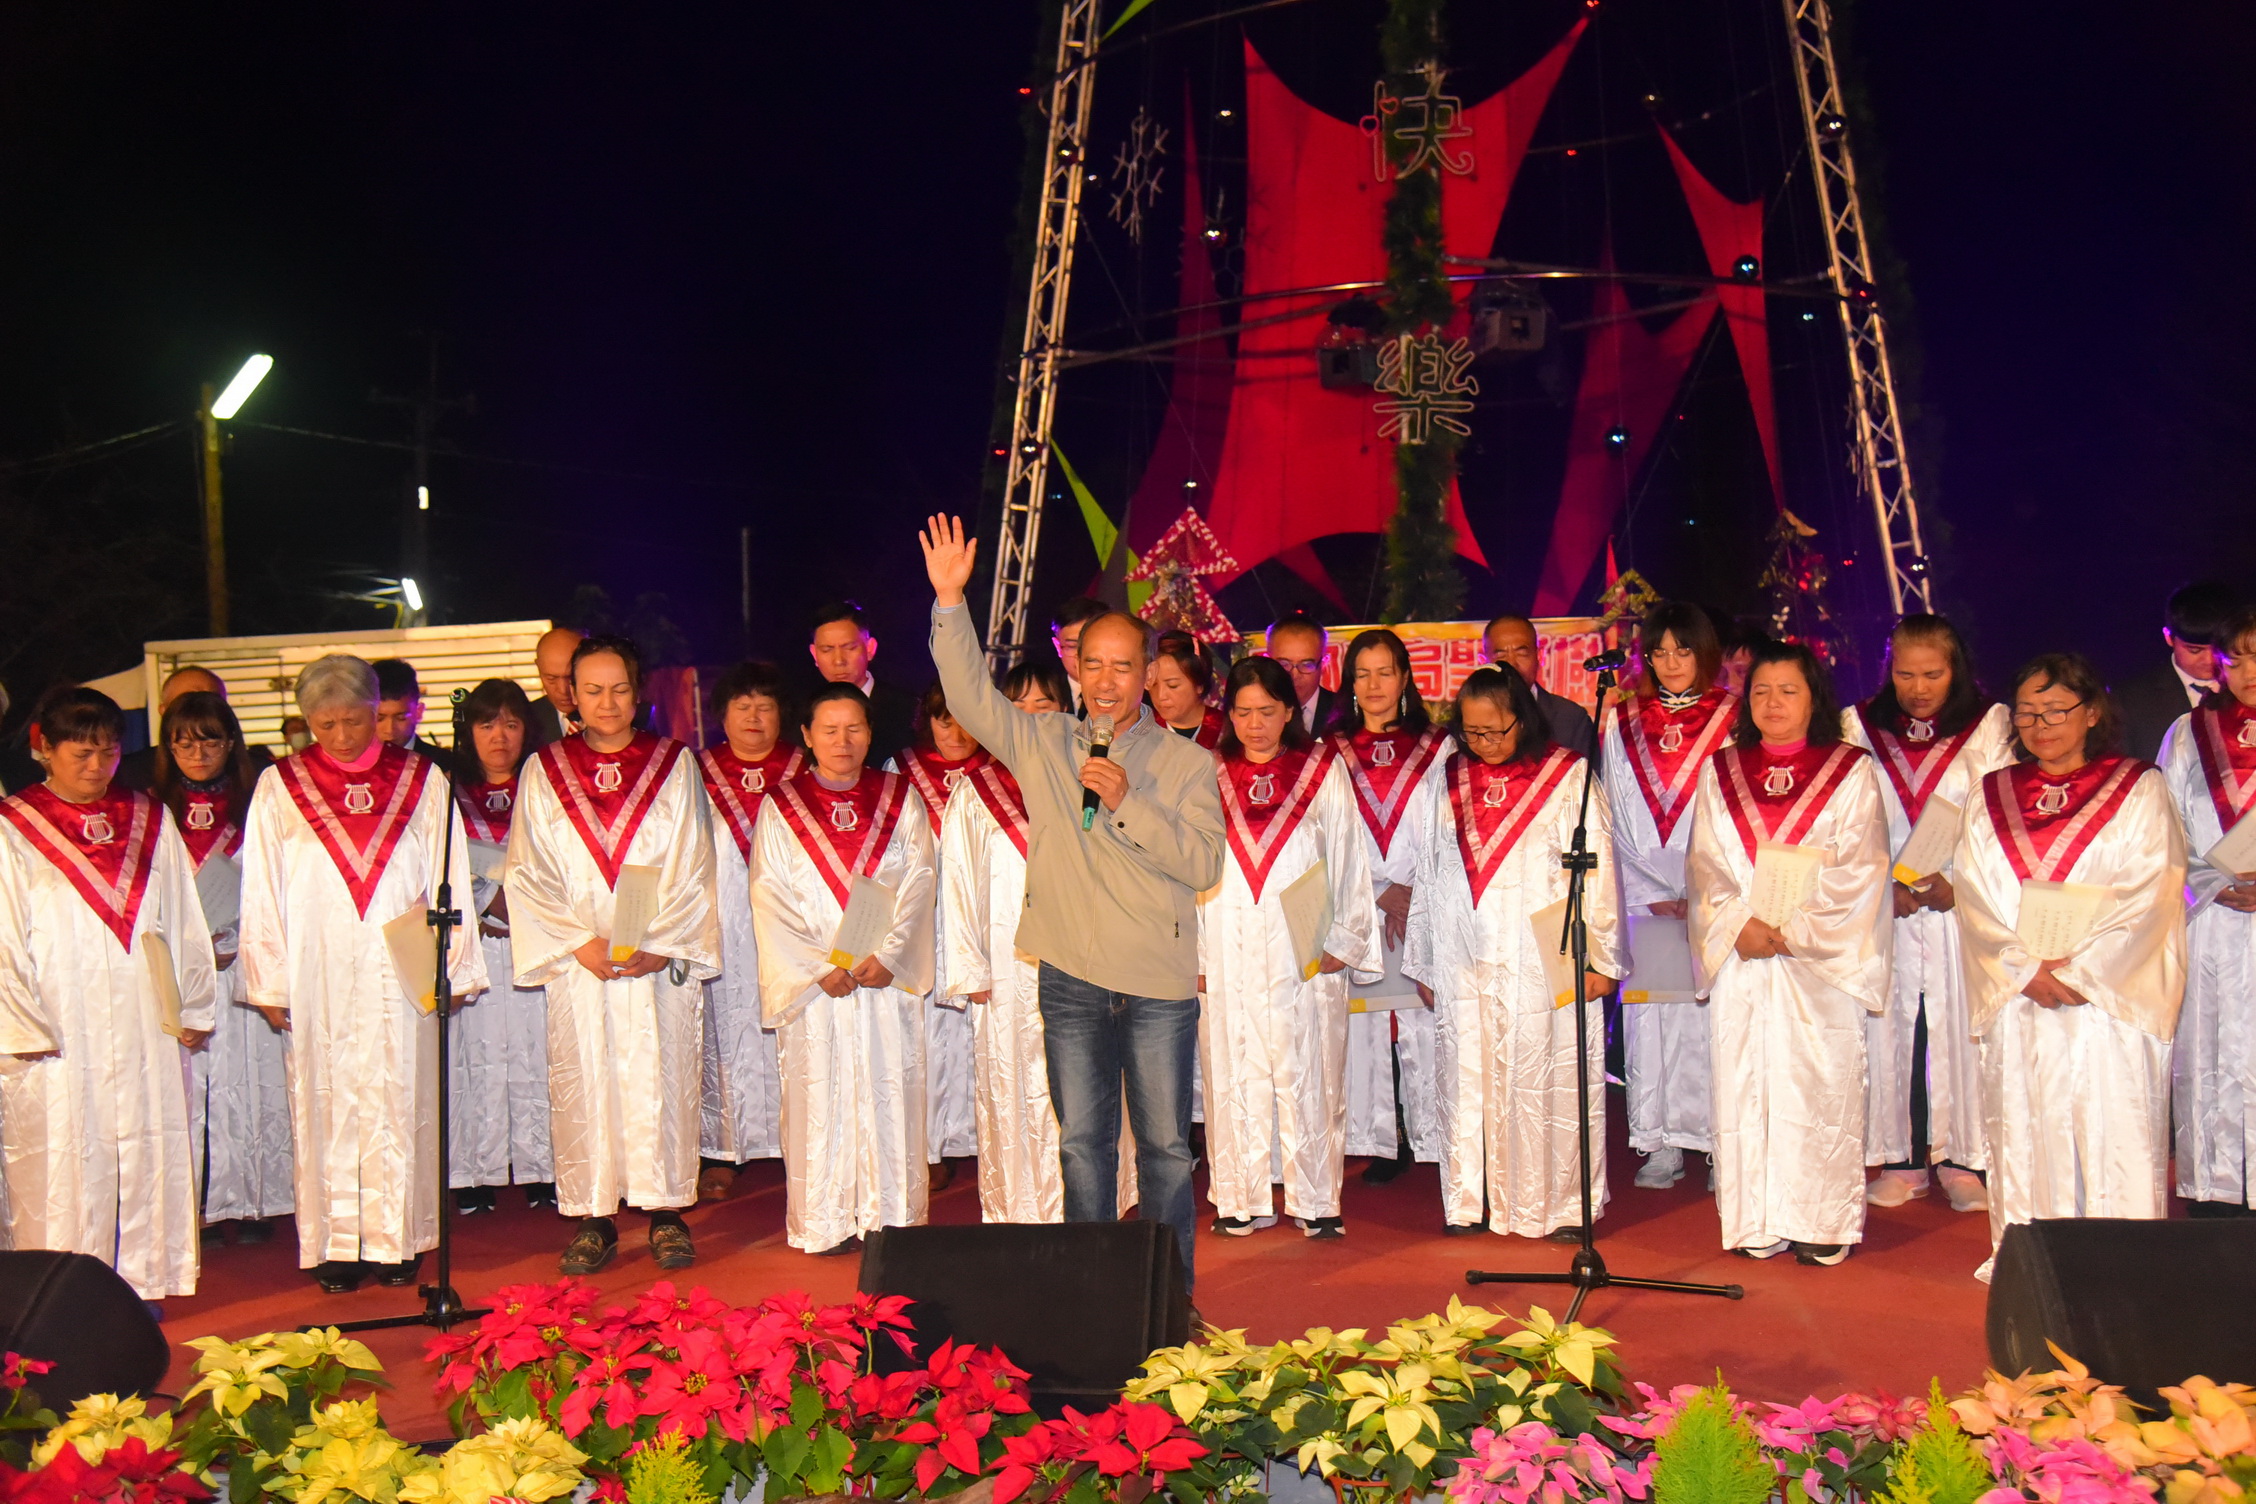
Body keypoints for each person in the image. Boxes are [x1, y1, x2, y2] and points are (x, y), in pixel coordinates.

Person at [922, 515, 1225, 1291]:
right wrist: (951, 601)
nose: (1107, 681)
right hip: (1070, 978)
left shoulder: (1187, 763)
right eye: (1094, 664)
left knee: (1162, 1151)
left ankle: (1168, 1297)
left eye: (1125, 668)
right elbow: (967, 693)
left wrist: (1128, 803)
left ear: (1149, 676)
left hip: (1157, 985)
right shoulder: (1044, 741)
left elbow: (1202, 865)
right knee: (1082, 1144)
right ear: (1077, 668)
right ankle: (1093, 1298)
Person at [240, 654, 487, 1294]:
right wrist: (267, 980)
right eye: (326, 724)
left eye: (355, 720)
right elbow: (261, 888)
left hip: (397, 969)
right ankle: (335, 1244)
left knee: (398, 1097)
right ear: (307, 720)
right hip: (316, 970)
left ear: (376, 712)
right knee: (324, 1101)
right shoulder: (280, 786)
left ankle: (396, 1239)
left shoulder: (420, 780)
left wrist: (451, 966)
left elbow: (450, 876)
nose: (343, 737)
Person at [1956, 652, 2185, 1279]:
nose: (2041, 724)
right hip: (2022, 994)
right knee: (2028, 1126)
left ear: (2091, 713)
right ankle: (2033, 1259)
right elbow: (1975, 895)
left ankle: (2125, 1262)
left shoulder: (2139, 787)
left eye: (2056, 709)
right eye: (2028, 712)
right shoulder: (1991, 795)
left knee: (2112, 1124)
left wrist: (2082, 971)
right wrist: (2023, 967)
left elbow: (2153, 891)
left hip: (2106, 999)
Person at [504, 635, 720, 1275]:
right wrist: (579, 942)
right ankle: (593, 1217)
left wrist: (662, 944)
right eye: (592, 689)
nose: (606, 702)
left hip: (655, 960)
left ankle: (666, 1212)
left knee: (662, 1077)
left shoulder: (673, 764)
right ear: (572, 693)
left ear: (639, 691)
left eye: (619, 689)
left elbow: (694, 865)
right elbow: (528, 870)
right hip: (583, 963)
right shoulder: (545, 770)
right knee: (585, 1082)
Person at [0, 687, 216, 1302]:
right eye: (81, 753)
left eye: (108, 752)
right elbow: (2, 936)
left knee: (147, 1147)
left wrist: (194, 1002)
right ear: (44, 749)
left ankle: (143, 1286)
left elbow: (182, 916)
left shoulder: (147, 816)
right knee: (65, 1162)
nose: (97, 767)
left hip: (143, 1014)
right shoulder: (14, 827)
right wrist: (20, 1026)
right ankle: (59, 1298)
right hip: (59, 1022)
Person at [1686, 640, 1890, 1266]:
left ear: (1814, 699)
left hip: (1816, 961)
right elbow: (1705, 867)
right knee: (1746, 1080)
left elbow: (1861, 868)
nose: (1773, 704)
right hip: (1743, 955)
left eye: (1789, 691)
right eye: (1761, 692)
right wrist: (1736, 923)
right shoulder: (1721, 771)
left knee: (1819, 1081)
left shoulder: (1850, 770)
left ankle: (1822, 1219)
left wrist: (1793, 929)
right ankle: (1755, 1218)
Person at [1406, 666, 1622, 1237]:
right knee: (1466, 1072)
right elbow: (1427, 870)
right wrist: (1425, 956)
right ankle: (1470, 1200)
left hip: (1541, 950)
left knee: (1546, 1071)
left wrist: (1599, 956)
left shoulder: (1567, 776)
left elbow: (1596, 868)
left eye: (1496, 731)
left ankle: (1558, 1206)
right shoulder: (1446, 777)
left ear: (1522, 722)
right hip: (1461, 951)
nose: (1485, 744)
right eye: (1473, 732)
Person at [751, 683, 937, 1255]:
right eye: (828, 730)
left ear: (870, 732)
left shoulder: (900, 798)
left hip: (883, 980)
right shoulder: (781, 807)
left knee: (891, 1090)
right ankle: (824, 1219)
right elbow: (769, 896)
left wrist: (891, 954)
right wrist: (814, 968)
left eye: (854, 728)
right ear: (805, 736)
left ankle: (895, 1218)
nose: (842, 741)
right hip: (819, 992)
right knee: (817, 1095)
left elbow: (921, 880)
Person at [1196, 658, 1378, 1239]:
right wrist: (1193, 955)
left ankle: (1316, 1200)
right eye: (1243, 712)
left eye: (1268, 711)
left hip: (1303, 940)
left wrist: (1345, 938)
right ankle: (1238, 1196)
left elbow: (1348, 854)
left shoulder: (1321, 768)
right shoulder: (1207, 772)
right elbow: (1188, 870)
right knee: (1231, 1062)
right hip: (1224, 938)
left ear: (1289, 711)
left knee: (1309, 1063)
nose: (1255, 725)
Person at [1842, 615, 2014, 1214]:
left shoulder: (1989, 725)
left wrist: (1960, 883)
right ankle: (1905, 1158)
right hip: (1887, 906)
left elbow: (1999, 816)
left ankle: (1966, 1158)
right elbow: (1847, 818)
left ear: (1956, 669)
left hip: (1957, 909)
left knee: (1958, 1027)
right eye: (1906, 673)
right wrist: (1876, 884)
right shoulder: (1860, 726)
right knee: (1895, 1028)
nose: (1918, 688)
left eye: (1933, 674)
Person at [1602, 603, 1735, 1190]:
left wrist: (1702, 887)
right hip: (1645, 897)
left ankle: (1716, 1143)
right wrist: (1653, 889)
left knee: (1710, 1018)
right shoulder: (1622, 720)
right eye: (1660, 651)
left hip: (1713, 895)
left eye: (1684, 650)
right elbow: (1611, 814)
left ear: (1705, 652)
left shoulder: (1734, 718)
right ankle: (1657, 1141)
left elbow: (1739, 813)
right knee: (1649, 1017)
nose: (1672, 662)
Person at [152, 690, 291, 1245]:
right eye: (184, 741)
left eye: (210, 739)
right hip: (184, 969)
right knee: (190, 1086)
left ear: (230, 741)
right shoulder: (151, 808)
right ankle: (199, 1203)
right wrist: (192, 947)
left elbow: (276, 882)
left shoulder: (259, 799)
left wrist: (237, 938)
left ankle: (253, 1201)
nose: (198, 751)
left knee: (251, 1082)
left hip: (243, 960)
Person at [941, 661, 1070, 1223]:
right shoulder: (975, 792)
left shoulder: (1092, 779)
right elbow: (959, 884)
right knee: (1011, 1078)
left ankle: (1088, 1203)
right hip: (1006, 964)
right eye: (1019, 708)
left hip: (1084, 962)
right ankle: (1017, 1207)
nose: (1033, 718)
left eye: (1045, 706)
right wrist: (970, 971)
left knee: (1081, 1082)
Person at [1324, 629, 1450, 1186]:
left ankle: (1436, 1132)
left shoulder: (1439, 746)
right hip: (1360, 902)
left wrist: (1413, 892)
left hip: (1423, 905)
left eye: (1385, 672)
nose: (1374, 685)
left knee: (1422, 1017)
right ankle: (1385, 1135)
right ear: (1350, 683)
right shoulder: (1330, 750)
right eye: (1362, 674)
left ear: (1404, 677)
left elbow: (1449, 830)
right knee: (1370, 1024)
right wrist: (1379, 889)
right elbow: (1325, 835)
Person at [691, 662, 799, 1203]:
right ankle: (723, 1149)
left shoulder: (808, 766)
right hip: (724, 924)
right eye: (742, 706)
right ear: (722, 715)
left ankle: (797, 1141)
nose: (754, 717)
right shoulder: (694, 772)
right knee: (725, 1030)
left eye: (766, 706)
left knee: (791, 1025)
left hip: (792, 926)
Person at [448, 678, 555, 1215]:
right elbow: (435, 867)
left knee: (539, 1052)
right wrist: (487, 900)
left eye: (512, 724)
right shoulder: (446, 793)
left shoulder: (548, 786)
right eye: (488, 723)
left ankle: (544, 1167)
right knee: (477, 1058)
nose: (500, 735)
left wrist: (527, 907)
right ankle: (475, 1172)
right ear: (470, 731)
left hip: (537, 942)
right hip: (477, 944)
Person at [2164, 606, 2256, 1218]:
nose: (2247, 670)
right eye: (2237, 658)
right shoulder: (2187, 733)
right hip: (2212, 920)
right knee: (2210, 1050)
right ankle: (2215, 1190)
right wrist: (2213, 880)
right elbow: (2165, 830)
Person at [893, 683, 991, 1192]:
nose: (954, 732)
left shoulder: (1004, 770)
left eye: (964, 719)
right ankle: (931, 1146)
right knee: (929, 1039)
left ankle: (983, 1138)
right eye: (942, 720)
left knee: (981, 1037)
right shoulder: (902, 774)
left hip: (983, 926)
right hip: (928, 929)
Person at [2118, 582, 2241, 762]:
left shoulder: (2247, 687)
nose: (2209, 661)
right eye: (2194, 650)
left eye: (2217, 649)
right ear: (2168, 637)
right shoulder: (2130, 699)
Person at [116, 667, 273, 792]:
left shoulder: (263, 775)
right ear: (163, 711)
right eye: (185, 703)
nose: (198, 755)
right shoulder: (131, 774)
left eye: (211, 702)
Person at [810, 600, 918, 761]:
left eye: (849, 648)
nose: (839, 660)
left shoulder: (909, 710)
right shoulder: (804, 711)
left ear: (870, 648)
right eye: (827, 650)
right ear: (814, 654)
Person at [1484, 615, 1597, 760]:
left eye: (1521, 653)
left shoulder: (1571, 719)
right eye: (1501, 656)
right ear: (1483, 662)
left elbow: (1588, 779)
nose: (1512, 664)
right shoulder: (1470, 720)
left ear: (1540, 656)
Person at [1149, 632, 1225, 748]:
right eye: (1153, 685)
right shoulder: (1142, 730)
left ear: (1199, 684)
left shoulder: (1227, 730)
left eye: (1172, 685)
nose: (1160, 696)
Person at [1265, 613, 1337, 734]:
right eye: (1284, 664)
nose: (1294, 675)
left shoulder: (1343, 713)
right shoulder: (1251, 715)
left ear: (1323, 664)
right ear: (1266, 662)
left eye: (1307, 665)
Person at [372, 659, 447, 761]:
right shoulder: (348, 766)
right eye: (379, 719)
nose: (390, 730)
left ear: (418, 712)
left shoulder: (443, 766)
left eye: (401, 718)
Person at [528, 626, 586, 748]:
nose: (563, 690)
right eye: (551, 679)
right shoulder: (527, 719)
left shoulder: (619, 714)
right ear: (538, 668)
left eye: (571, 678)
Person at [1051, 597, 1107, 715]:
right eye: (1072, 646)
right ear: (1057, 646)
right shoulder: (1047, 693)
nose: (1082, 656)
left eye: (1091, 645)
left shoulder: (1133, 695)